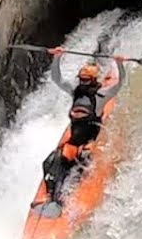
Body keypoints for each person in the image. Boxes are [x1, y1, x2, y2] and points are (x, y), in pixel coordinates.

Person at [37, 46, 128, 203]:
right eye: (82, 79)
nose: (83, 82)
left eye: (86, 80)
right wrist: (57, 57)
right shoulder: (75, 91)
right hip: (74, 142)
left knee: (79, 169)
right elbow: (57, 79)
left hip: (89, 144)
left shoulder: (101, 96)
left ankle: (68, 198)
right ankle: (52, 195)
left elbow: (119, 84)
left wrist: (119, 64)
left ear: (93, 80)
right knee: (49, 163)